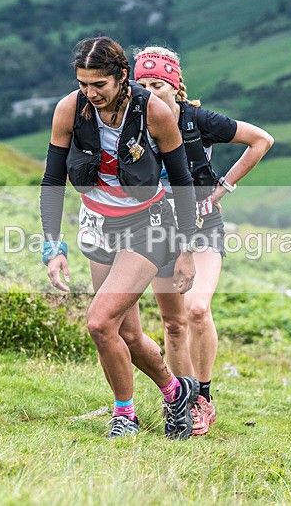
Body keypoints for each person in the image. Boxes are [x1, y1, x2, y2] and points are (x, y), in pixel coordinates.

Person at [39, 36, 202, 439]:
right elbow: (52, 180)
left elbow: (182, 181)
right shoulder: (69, 109)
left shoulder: (154, 113)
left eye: (100, 85)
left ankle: (124, 416)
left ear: (122, 77)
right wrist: (53, 247)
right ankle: (176, 390)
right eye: (83, 84)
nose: (90, 93)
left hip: (150, 225)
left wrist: (185, 251)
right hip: (99, 226)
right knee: (124, 334)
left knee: (98, 322)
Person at [134, 46, 274, 436]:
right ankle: (181, 399)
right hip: (157, 230)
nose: (149, 91)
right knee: (173, 324)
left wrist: (222, 188)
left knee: (197, 309)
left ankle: (203, 400)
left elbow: (261, 140)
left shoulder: (199, 120)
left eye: (157, 84)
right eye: (141, 84)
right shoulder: (132, 124)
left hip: (202, 226)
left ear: (175, 86)